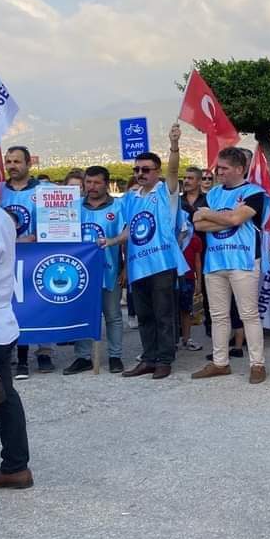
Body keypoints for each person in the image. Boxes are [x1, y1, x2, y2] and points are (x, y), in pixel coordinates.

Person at [105, 124, 183, 380]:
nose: (140, 173)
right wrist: (112, 241)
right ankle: (148, 358)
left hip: (162, 262)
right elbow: (130, 229)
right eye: (136, 169)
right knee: (144, 315)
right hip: (138, 265)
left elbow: (173, 168)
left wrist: (173, 145)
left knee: (163, 314)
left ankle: (165, 359)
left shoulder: (165, 191)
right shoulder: (131, 196)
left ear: (156, 172)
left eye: (146, 169)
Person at [192, 146, 268, 383]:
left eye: (224, 168)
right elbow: (197, 224)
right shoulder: (213, 193)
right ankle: (220, 362)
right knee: (217, 315)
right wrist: (224, 220)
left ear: (239, 168)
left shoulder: (254, 192)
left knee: (249, 315)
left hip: (243, 261)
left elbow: (236, 218)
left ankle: (257, 364)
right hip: (214, 262)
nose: (218, 172)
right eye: (218, 167)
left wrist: (210, 214)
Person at [0, 163, 33, 491]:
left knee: (1, 398)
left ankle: (16, 466)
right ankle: (15, 465)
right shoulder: (0, 217)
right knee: (1, 397)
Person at [65, 166, 126, 375]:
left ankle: (115, 356)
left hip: (109, 270)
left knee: (113, 315)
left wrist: (125, 269)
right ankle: (82, 357)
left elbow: (125, 236)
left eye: (96, 183)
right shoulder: (74, 206)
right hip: (79, 273)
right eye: (88, 182)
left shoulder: (117, 207)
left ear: (106, 184)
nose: (91, 187)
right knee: (81, 314)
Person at [0, 146, 52, 378]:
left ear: (29, 164)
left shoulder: (44, 190)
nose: (12, 166)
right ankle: (10, 352)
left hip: (36, 257)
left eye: (17, 161)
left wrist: (36, 236)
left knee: (40, 302)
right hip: (6, 260)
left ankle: (44, 352)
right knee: (11, 305)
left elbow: (57, 224)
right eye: (8, 161)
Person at [178, 224, 204, 353]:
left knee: (186, 310)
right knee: (169, 311)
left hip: (188, 278)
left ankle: (187, 338)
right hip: (172, 277)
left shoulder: (194, 239)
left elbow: (198, 261)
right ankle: (171, 340)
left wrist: (198, 281)